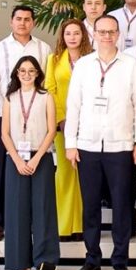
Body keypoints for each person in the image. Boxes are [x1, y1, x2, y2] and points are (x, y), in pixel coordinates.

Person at [65, 15, 136, 270]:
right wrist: (71, 143)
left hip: (120, 146)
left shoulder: (131, 65)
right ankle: (92, 258)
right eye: (102, 32)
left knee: (122, 205)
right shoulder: (83, 65)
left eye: (111, 32)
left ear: (118, 34)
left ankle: (120, 259)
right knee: (90, 206)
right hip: (87, 145)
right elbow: (73, 105)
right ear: (94, 34)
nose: (107, 36)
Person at [0, 5, 52, 242]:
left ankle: (31, 221)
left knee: (37, 169)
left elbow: (47, 83)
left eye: (27, 19)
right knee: (3, 169)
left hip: (36, 118)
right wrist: (8, 112)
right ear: (11, 21)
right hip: (6, 118)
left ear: (34, 23)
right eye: (18, 19)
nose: (22, 23)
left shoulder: (43, 48)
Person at [1, 56, 59, 270]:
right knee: (17, 210)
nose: (27, 74)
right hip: (15, 158)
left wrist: (36, 159)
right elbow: (4, 133)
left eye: (31, 71)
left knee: (43, 208)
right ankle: (20, 261)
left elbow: (51, 131)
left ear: (38, 74)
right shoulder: (10, 98)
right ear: (17, 73)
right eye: (23, 71)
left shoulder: (46, 97)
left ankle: (45, 261)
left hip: (40, 157)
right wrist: (17, 160)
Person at [44, 19, 92, 241]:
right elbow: (50, 90)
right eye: (68, 33)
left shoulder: (91, 59)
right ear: (62, 37)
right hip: (62, 125)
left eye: (76, 33)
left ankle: (81, 225)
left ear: (83, 35)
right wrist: (61, 118)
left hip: (88, 124)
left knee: (83, 175)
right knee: (64, 173)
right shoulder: (53, 60)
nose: (72, 37)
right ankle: (63, 226)